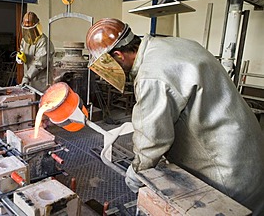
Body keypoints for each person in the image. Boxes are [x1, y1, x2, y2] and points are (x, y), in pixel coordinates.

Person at [85, 18, 264, 215]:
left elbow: (151, 139)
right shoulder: (173, 45)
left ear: (118, 55)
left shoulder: (151, 75)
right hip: (250, 152)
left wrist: (136, 173)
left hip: (226, 169)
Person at [17, 11, 54, 93]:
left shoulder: (43, 42)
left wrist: (26, 77)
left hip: (42, 84)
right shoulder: (25, 40)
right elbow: (22, 50)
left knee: (41, 103)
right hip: (29, 81)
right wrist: (20, 57)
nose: (28, 32)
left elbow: (39, 63)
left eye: (29, 28)